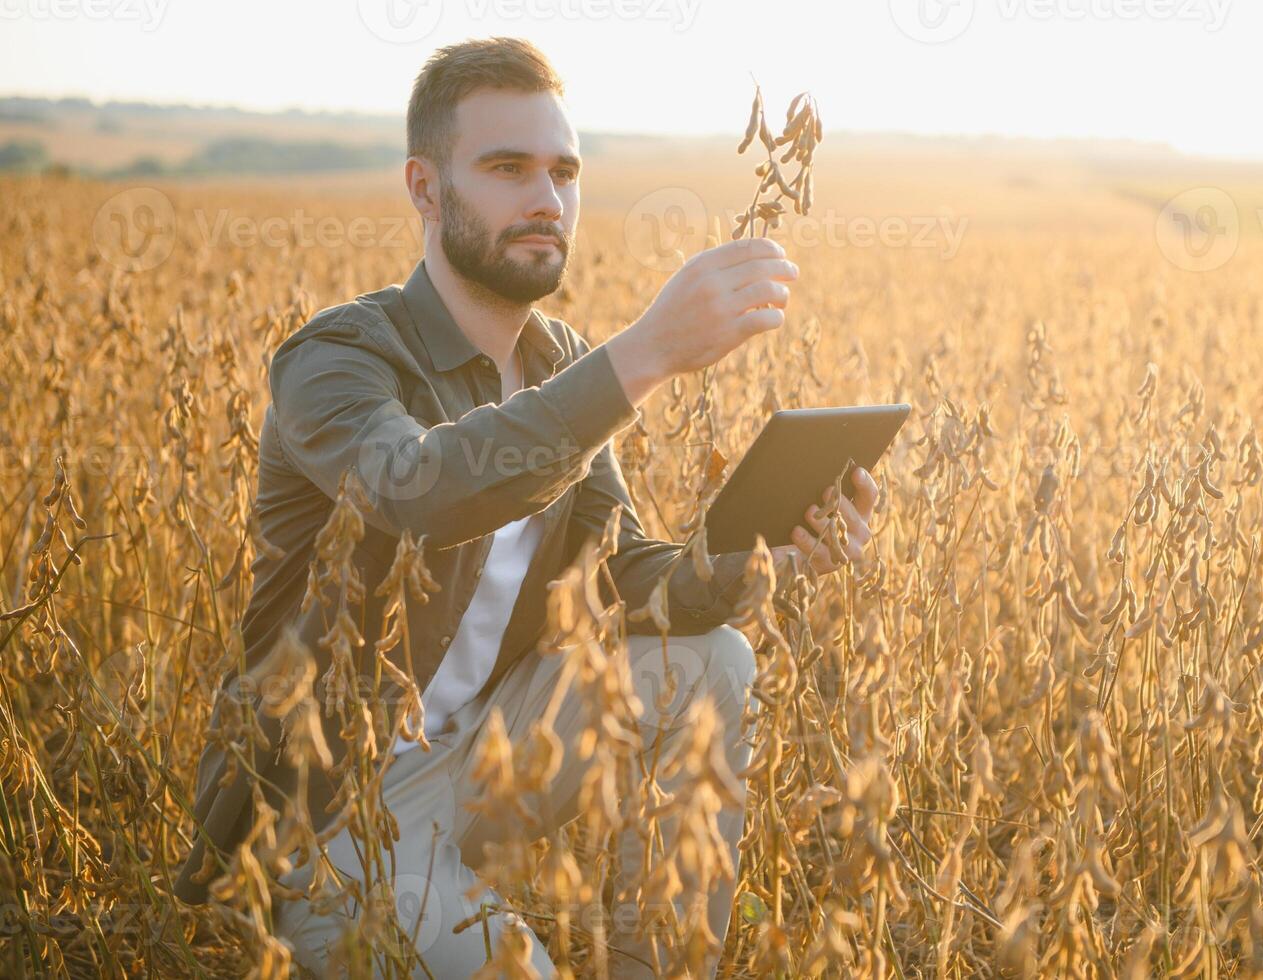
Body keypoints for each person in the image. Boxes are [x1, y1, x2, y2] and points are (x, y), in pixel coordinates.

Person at [171, 36, 880, 978]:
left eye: (563, 171)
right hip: (329, 803)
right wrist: (645, 355)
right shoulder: (333, 361)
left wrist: (768, 556)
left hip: (487, 759)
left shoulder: (556, 362)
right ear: (425, 189)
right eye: (507, 169)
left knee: (712, 659)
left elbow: (627, 579)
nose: (546, 199)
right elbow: (417, 489)